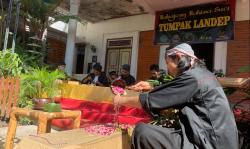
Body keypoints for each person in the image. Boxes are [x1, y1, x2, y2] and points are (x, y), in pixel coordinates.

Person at [113, 43, 238, 149]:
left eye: (167, 64)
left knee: (142, 132)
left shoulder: (193, 78)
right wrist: (151, 87)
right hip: (219, 141)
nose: (168, 69)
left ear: (178, 57)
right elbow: (180, 90)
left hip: (209, 144)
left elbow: (150, 100)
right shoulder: (203, 74)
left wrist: (119, 99)